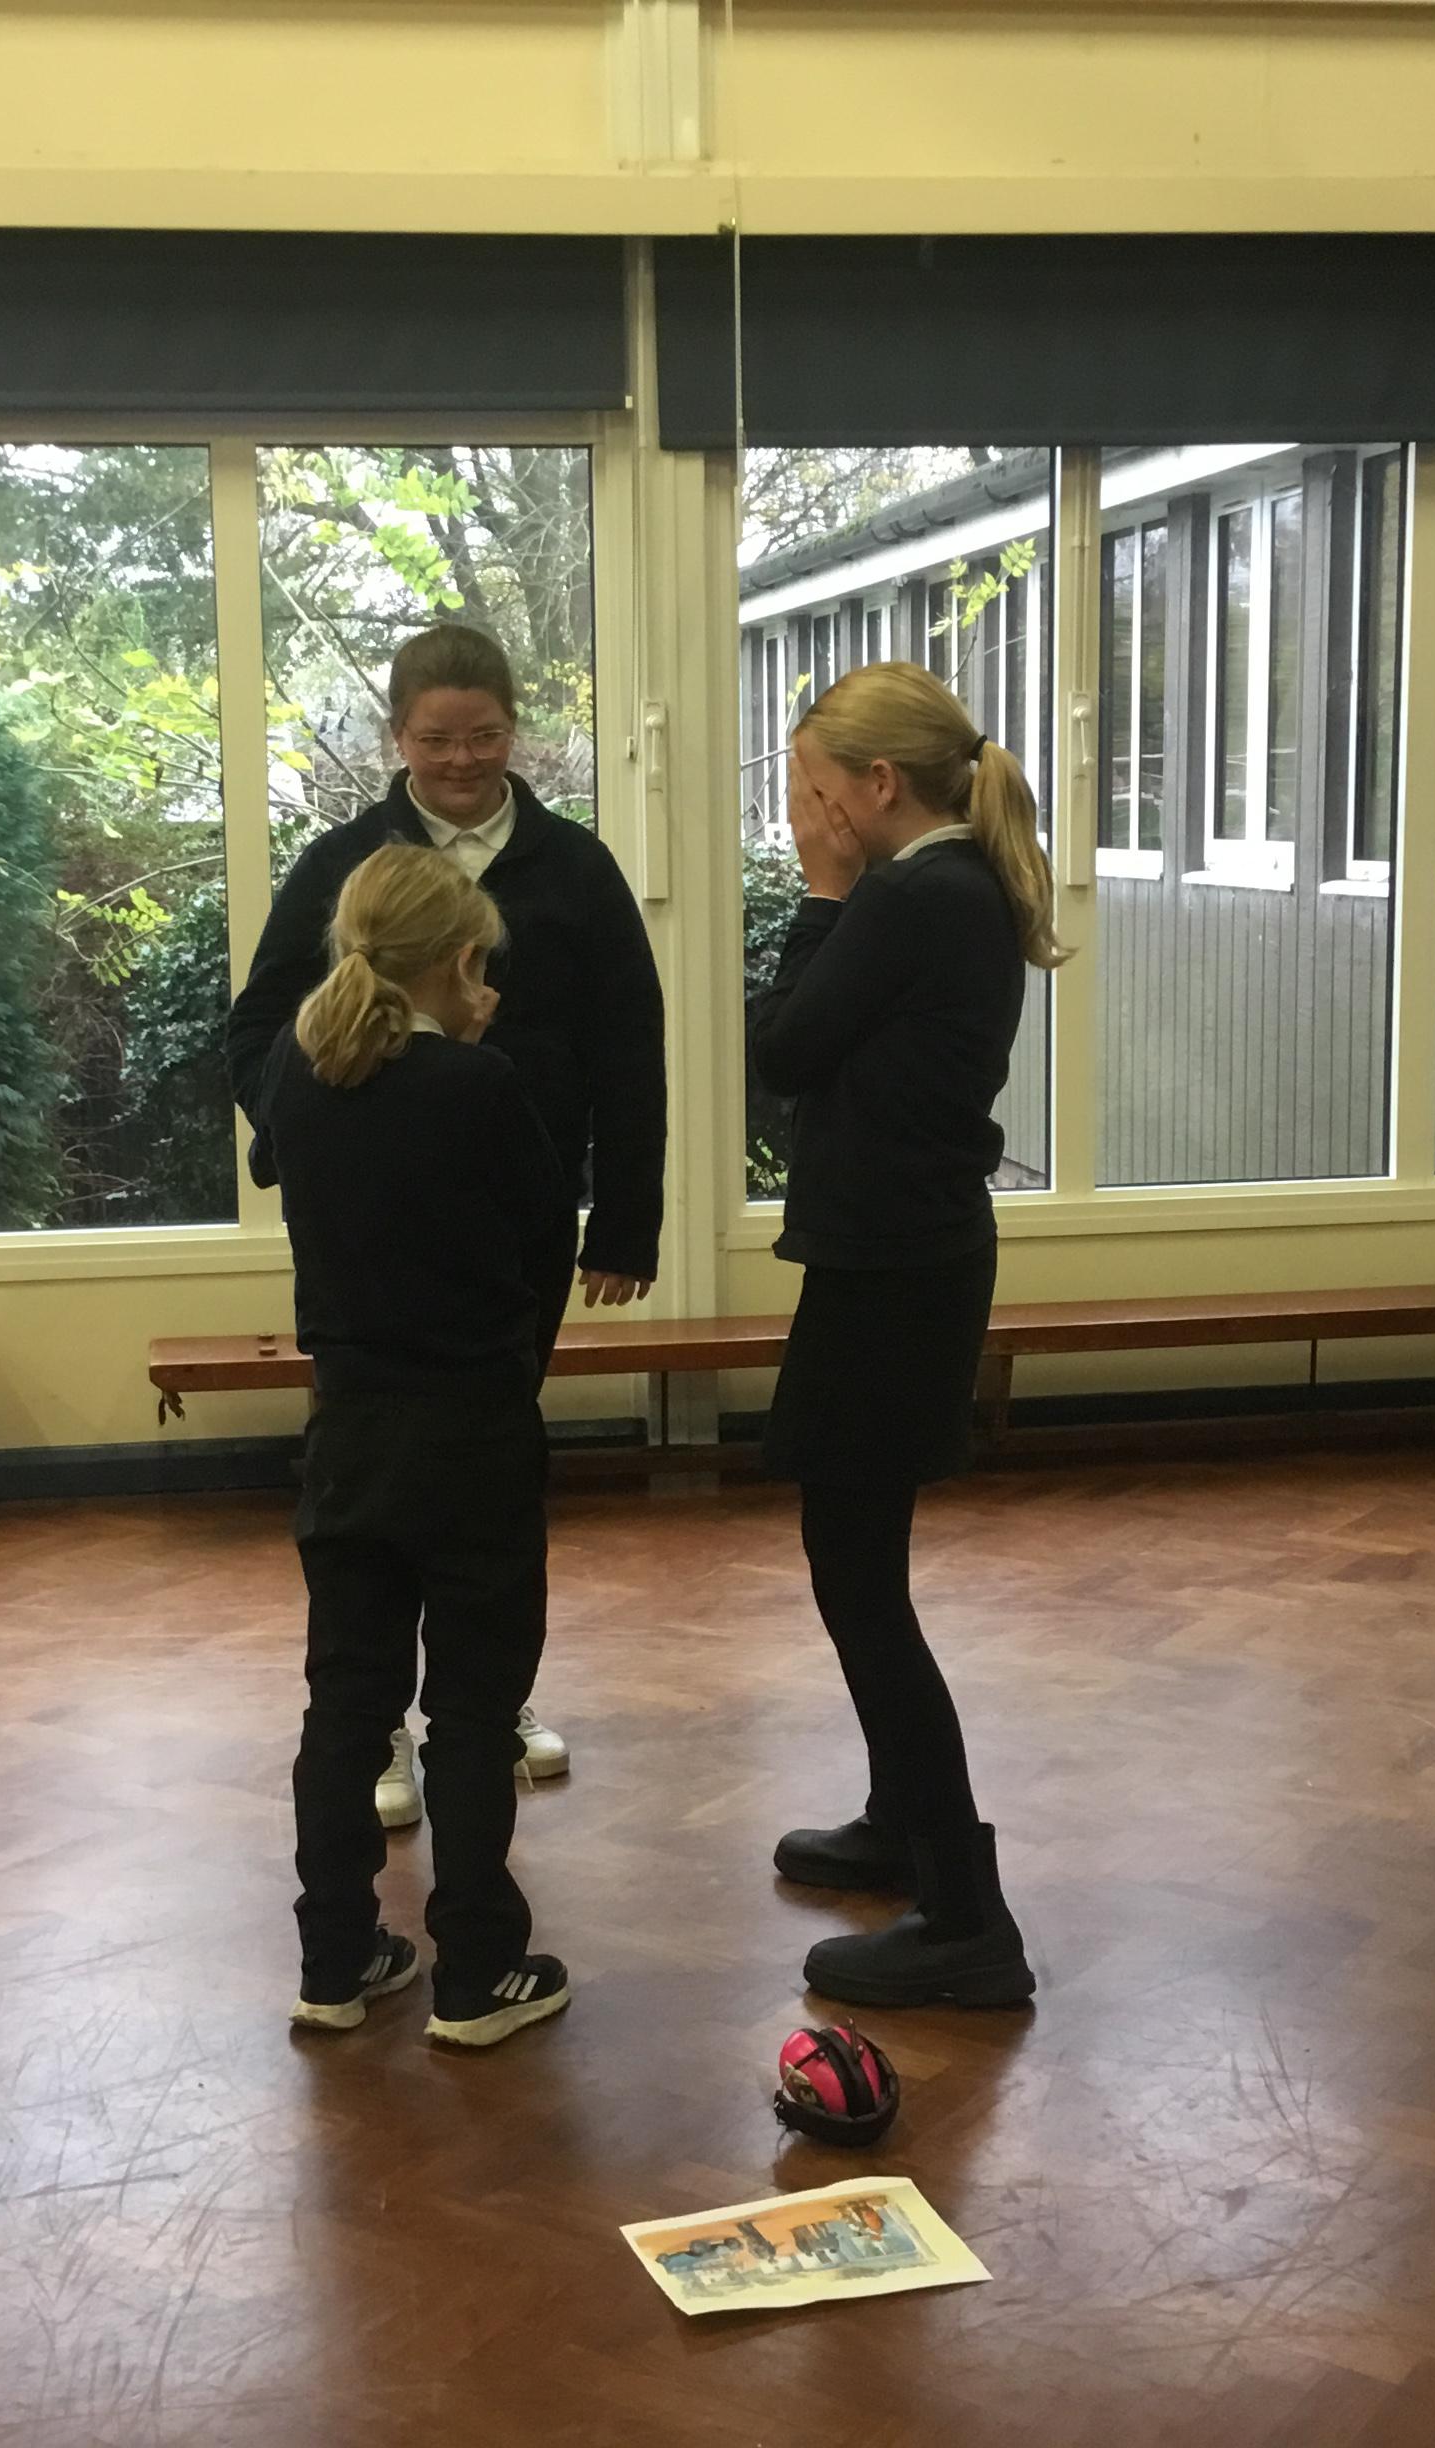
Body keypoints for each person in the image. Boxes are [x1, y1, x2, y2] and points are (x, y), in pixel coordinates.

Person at [227, 624, 666, 1828]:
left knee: (489, 1462)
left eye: (486, 736)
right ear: (397, 738)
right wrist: (303, 1131)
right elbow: (258, 1027)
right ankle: (374, 1720)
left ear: (515, 731)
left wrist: (627, 1220)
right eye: (436, 739)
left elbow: (632, 1046)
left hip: (514, 1226)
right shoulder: (342, 864)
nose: (463, 759)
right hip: (366, 1240)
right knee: (371, 1474)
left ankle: (485, 1696)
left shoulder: (577, 868)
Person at [748, 661, 1061, 2012]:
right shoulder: (952, 886)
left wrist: (823, 895)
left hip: (894, 1271)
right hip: (907, 1258)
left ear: (877, 787)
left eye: (811, 791)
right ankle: (899, 1824)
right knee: (859, 1564)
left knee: (859, 1579)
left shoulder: (908, 896)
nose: (804, 818)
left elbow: (781, 1050)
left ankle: (966, 1918)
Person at [266, 843, 577, 2049]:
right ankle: (477, 1973)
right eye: (479, 964)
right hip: (473, 1434)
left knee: (346, 1704)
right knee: (473, 1709)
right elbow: (543, 1247)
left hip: (348, 1432)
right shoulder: (480, 1087)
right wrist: (512, 1370)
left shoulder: (299, 1078)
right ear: (456, 960)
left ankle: (335, 1961)